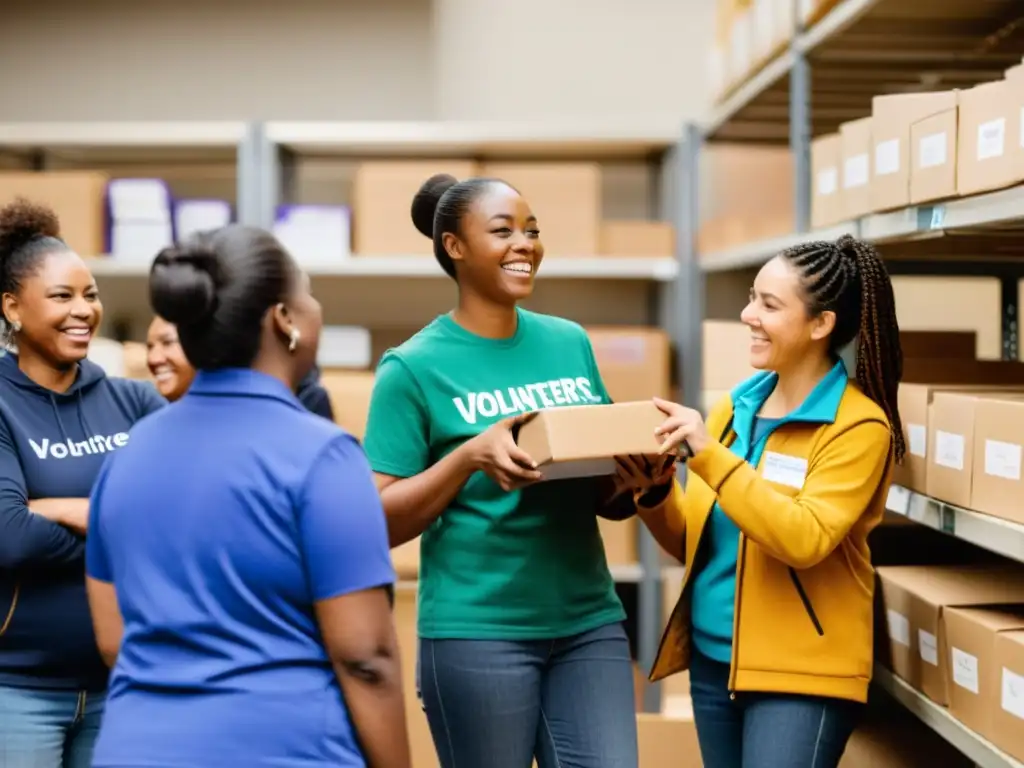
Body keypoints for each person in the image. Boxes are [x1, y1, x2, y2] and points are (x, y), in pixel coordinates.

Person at [84, 225, 411, 768]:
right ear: (284, 320)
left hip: (137, 747)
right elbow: (365, 658)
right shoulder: (323, 454)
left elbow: (114, 640)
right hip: (282, 747)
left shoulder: (129, 453)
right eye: (307, 293)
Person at [362, 173, 644, 768]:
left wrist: (637, 481)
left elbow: (602, 493)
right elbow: (375, 521)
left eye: (533, 230)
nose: (526, 243)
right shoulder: (412, 368)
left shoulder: (569, 343)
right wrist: (468, 457)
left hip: (587, 618)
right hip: (477, 629)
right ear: (454, 247)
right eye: (503, 230)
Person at [618, 235, 903, 768]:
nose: (748, 314)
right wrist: (655, 493)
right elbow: (695, 543)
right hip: (712, 660)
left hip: (799, 675)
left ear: (820, 325)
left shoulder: (858, 427)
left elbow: (803, 537)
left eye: (769, 305)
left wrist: (709, 455)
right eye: (752, 297)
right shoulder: (735, 408)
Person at [0, 198, 166, 767]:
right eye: (62, 296)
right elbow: (11, 538)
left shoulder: (135, 401)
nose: (83, 311)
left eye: (90, 295)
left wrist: (53, 508)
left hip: (122, 686)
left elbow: (174, 524)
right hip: (16, 693)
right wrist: (119, 523)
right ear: (12, 306)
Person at [147, 313, 333, 419]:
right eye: (149, 347)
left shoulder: (300, 400)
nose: (154, 358)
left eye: (168, 342)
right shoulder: (145, 412)